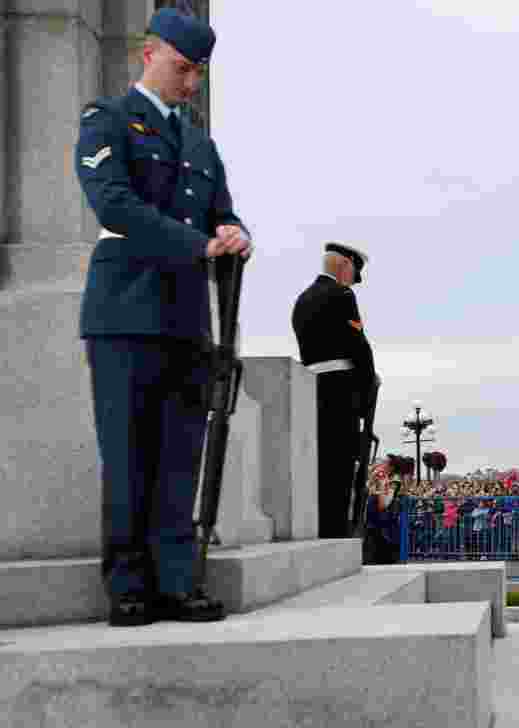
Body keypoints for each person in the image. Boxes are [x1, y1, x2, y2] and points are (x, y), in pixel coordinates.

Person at [75, 7, 252, 627]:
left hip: (184, 320)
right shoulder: (108, 121)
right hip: (123, 313)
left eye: (199, 72)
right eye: (183, 69)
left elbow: (223, 213)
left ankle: (178, 582)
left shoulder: (201, 144)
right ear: (149, 54)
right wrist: (196, 244)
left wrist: (234, 235)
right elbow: (113, 203)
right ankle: (129, 587)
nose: (192, 83)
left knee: (181, 455)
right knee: (128, 454)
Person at [292, 242, 377, 539]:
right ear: (343, 266)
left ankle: (318, 528)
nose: (354, 280)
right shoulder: (342, 295)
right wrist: (369, 385)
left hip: (309, 389)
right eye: (354, 272)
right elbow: (358, 347)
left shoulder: (302, 300)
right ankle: (336, 533)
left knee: (319, 465)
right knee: (340, 465)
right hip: (340, 392)